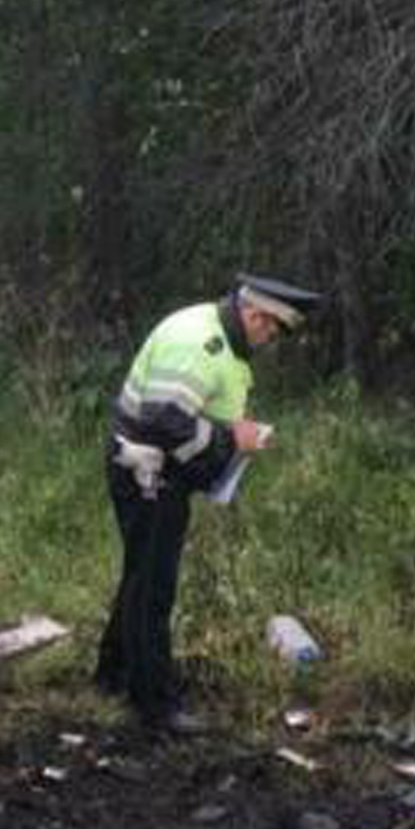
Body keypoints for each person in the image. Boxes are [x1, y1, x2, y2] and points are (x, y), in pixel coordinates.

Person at [94, 273, 322, 734]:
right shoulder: (200, 343)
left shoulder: (218, 334)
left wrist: (231, 436)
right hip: (147, 472)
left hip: (156, 471)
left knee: (142, 572)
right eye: (271, 329)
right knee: (154, 585)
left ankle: (113, 675)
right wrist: (229, 436)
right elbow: (162, 420)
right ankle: (154, 706)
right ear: (255, 314)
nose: (270, 339)